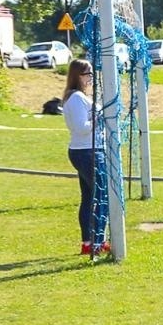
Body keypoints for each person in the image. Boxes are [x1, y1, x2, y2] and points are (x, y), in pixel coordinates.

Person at [62, 58, 107, 256]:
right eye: (87, 73)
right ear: (77, 76)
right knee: (102, 196)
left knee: (89, 197)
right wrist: (99, 118)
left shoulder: (80, 97)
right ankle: (96, 242)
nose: (90, 77)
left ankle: (90, 242)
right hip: (87, 152)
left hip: (88, 150)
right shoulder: (76, 98)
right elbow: (81, 128)